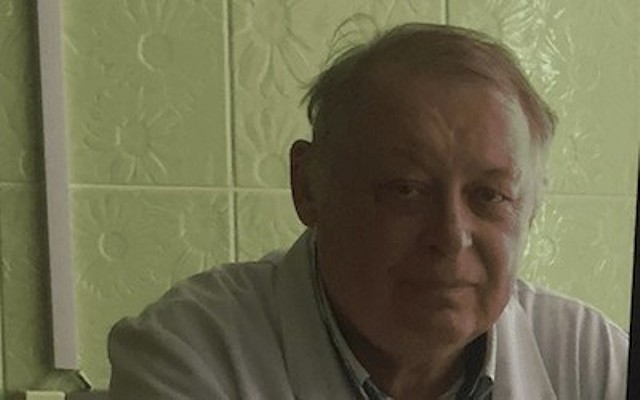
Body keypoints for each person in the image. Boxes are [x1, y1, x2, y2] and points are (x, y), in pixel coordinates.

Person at [108, 23, 628, 399]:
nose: (451, 235)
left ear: (531, 208)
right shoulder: (190, 353)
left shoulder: (590, 360)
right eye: (406, 190)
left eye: (489, 196)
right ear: (308, 186)